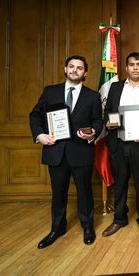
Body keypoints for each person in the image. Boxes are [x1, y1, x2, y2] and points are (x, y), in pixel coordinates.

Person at [29, 55, 103, 249]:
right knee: (58, 193)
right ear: (65, 69)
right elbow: (35, 115)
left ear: (85, 73)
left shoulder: (93, 96)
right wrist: (40, 135)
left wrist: (93, 132)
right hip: (55, 151)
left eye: (79, 68)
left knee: (85, 192)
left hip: (81, 151)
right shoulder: (50, 91)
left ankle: (88, 227)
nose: (74, 70)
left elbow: (97, 121)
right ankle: (57, 228)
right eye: (71, 67)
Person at [101, 52, 139, 240]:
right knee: (120, 184)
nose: (135, 67)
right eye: (131, 64)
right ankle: (119, 218)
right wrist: (109, 123)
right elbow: (108, 112)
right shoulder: (115, 88)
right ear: (126, 68)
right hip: (119, 144)